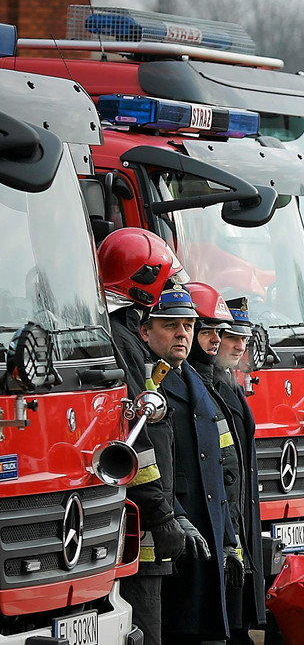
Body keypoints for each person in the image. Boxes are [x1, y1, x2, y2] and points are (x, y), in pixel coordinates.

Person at [97, 229, 185, 645]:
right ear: (145, 281)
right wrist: (164, 515)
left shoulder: (123, 332)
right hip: (140, 518)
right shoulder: (124, 339)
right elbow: (139, 438)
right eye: (164, 281)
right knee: (145, 623)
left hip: (144, 512)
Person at [142, 283, 237, 644]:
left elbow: (218, 470)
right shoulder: (150, 385)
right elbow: (156, 466)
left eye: (188, 325)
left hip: (208, 527)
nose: (182, 334)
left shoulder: (196, 379)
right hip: (176, 531)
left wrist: (230, 538)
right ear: (145, 331)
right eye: (170, 325)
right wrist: (176, 514)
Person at [185, 285, 264, 645]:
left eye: (235, 336)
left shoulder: (226, 383)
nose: (235, 345)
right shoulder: (201, 384)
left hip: (235, 521)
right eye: (221, 335)